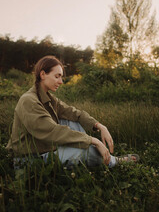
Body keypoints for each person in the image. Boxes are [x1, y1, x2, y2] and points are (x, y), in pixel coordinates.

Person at [6, 55, 139, 169]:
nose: (61, 81)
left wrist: (99, 125)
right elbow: (52, 131)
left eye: (61, 77)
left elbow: (75, 113)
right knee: (85, 153)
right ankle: (114, 161)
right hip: (29, 160)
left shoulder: (48, 98)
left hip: (47, 148)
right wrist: (93, 141)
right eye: (57, 76)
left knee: (73, 120)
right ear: (42, 74)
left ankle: (88, 152)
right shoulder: (28, 100)